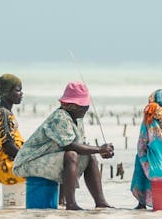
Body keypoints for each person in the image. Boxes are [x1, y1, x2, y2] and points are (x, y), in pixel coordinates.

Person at [12, 81, 115, 210]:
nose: (85, 109)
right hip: (27, 163)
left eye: (85, 106)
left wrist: (99, 151)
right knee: (71, 155)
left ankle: (100, 202)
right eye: (82, 106)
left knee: (90, 157)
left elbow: (80, 147)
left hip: (48, 159)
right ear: (70, 106)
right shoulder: (59, 117)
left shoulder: (77, 119)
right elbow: (70, 146)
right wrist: (100, 149)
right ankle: (71, 204)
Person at [0, 73, 24, 186]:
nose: (21, 93)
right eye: (18, 90)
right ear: (7, 92)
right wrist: (28, 158)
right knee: (49, 169)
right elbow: (8, 147)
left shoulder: (2, 112)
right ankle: (60, 202)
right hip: (5, 166)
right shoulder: (3, 114)